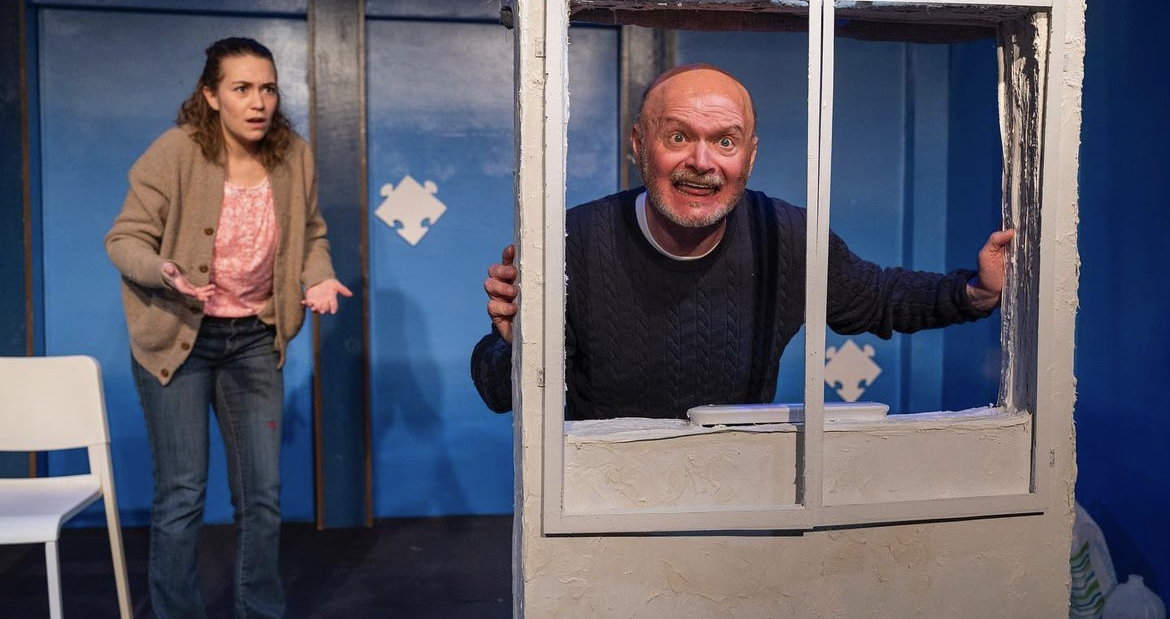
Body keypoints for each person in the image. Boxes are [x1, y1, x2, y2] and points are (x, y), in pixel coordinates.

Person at [470, 63, 1014, 421]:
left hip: (738, 492)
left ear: (749, 157)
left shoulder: (788, 237)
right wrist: (517, 348)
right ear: (639, 145)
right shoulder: (571, 241)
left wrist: (976, 293)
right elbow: (497, 392)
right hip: (599, 493)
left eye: (725, 142)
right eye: (678, 136)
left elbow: (880, 297)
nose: (702, 162)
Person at [105, 37, 350, 619]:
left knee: (262, 498)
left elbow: (311, 234)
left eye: (268, 89)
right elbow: (125, 238)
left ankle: (258, 610)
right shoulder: (176, 151)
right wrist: (163, 270)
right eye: (241, 88)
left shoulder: (294, 156)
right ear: (211, 96)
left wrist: (318, 276)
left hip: (254, 340)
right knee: (182, 495)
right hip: (178, 339)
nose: (258, 102)